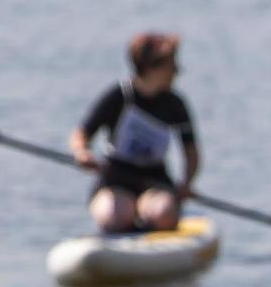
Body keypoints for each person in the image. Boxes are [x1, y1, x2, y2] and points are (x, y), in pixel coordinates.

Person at [68, 31, 200, 237]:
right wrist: (82, 152)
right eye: (171, 64)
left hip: (155, 180)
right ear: (151, 68)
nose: (177, 70)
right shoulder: (119, 97)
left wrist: (186, 183)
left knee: (163, 214)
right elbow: (81, 134)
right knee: (114, 216)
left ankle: (152, 228)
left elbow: (191, 152)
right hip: (115, 179)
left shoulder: (175, 105)